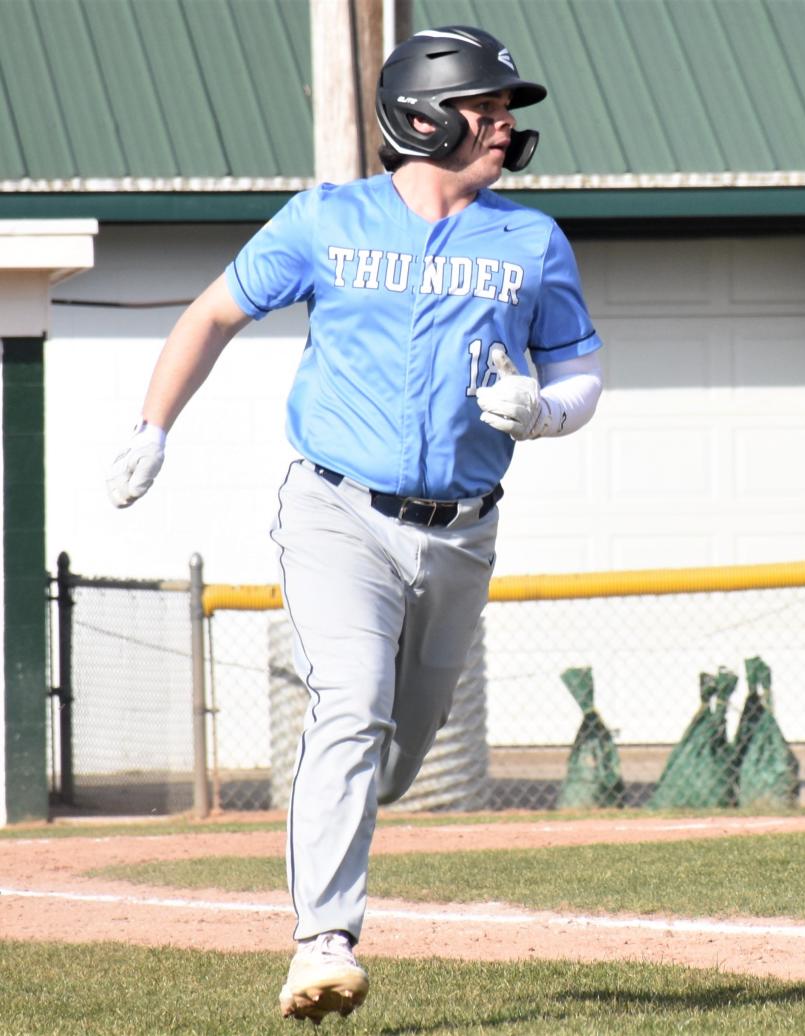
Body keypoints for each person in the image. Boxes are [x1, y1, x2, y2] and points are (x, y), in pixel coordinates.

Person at [107, 24, 603, 1024]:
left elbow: (582, 372)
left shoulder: (531, 241)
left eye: (507, 108)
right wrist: (152, 427)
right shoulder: (327, 222)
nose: (506, 123)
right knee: (354, 696)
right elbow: (210, 313)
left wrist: (545, 412)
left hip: (461, 532)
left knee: (401, 751)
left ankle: (333, 825)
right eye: (486, 106)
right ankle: (322, 940)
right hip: (337, 511)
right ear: (422, 116)